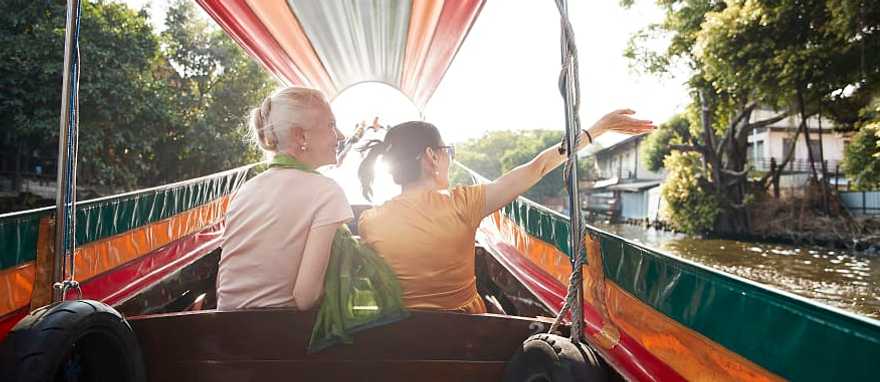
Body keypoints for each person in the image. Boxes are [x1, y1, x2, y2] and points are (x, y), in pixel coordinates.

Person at [356, 110, 653, 313]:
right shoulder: (465, 204)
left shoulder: (370, 222)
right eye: (448, 151)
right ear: (432, 157)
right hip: (466, 341)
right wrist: (596, 129)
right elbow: (538, 167)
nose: (449, 158)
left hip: (401, 346)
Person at [216, 86, 350, 311]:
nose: (341, 135)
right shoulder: (326, 191)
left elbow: (225, 284)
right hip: (280, 335)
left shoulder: (245, 190)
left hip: (223, 335)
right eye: (331, 125)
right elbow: (306, 297)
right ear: (301, 136)